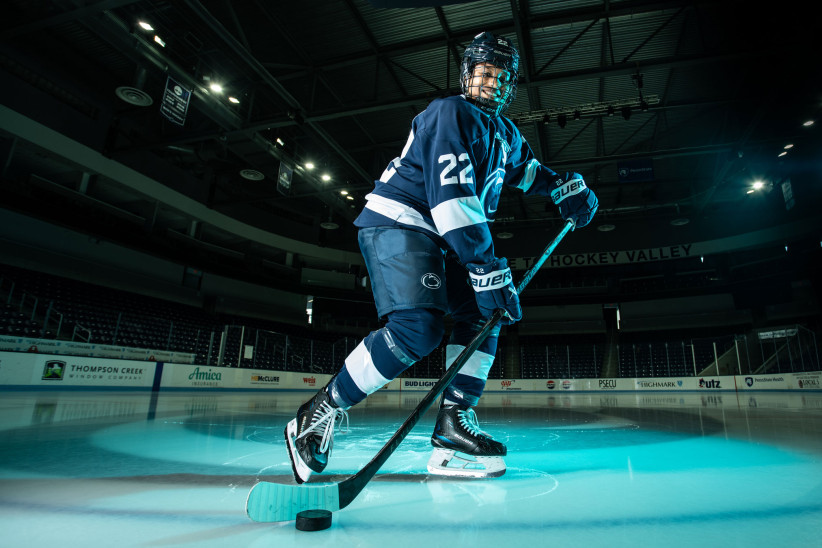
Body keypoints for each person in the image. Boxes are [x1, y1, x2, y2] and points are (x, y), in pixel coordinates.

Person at [286, 31, 598, 483]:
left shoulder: (505, 133)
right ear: (468, 73)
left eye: (502, 77)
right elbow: (454, 201)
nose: (492, 83)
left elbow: (528, 172)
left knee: (485, 313)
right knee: (418, 328)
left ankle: (453, 425)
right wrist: (486, 268)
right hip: (401, 221)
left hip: (442, 237)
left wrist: (565, 186)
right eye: (485, 72)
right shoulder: (450, 113)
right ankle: (317, 413)